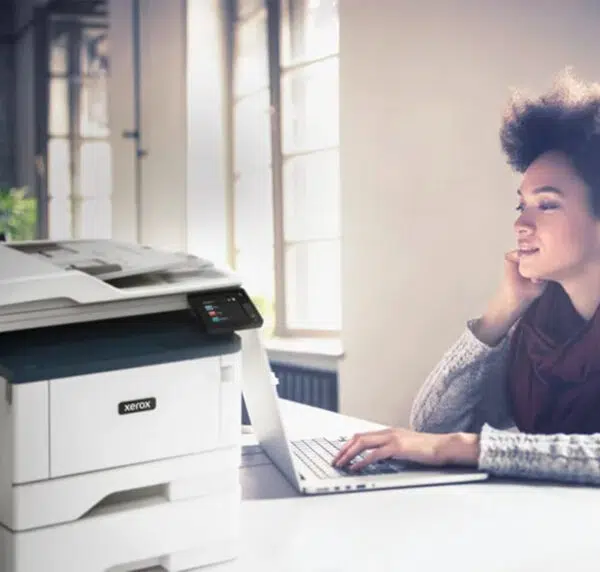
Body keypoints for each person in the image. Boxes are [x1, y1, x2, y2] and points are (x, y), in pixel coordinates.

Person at [332, 68, 600, 485]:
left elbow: (441, 443)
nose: (521, 224)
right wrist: (502, 310)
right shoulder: (541, 321)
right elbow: (432, 424)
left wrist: (465, 448)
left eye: (546, 206)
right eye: (520, 206)